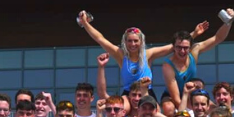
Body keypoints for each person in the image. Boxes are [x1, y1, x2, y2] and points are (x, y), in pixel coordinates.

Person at [78, 11, 207, 99]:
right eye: (129, 41)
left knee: (156, 115)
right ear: (125, 42)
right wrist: (85, 24)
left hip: (147, 92)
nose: (132, 44)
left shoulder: (148, 54)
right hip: (128, 94)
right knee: (120, 109)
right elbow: (100, 39)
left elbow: (174, 47)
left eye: (136, 41)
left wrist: (194, 34)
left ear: (141, 42)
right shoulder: (120, 55)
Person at [162, 14, 234, 106]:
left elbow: (218, 38)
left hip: (191, 93)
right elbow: (176, 99)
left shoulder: (194, 52)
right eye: (179, 47)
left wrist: (229, 22)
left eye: (185, 48)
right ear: (174, 47)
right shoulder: (168, 65)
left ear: (190, 47)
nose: (182, 51)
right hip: (171, 96)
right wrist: (187, 113)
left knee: (213, 108)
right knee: (169, 108)